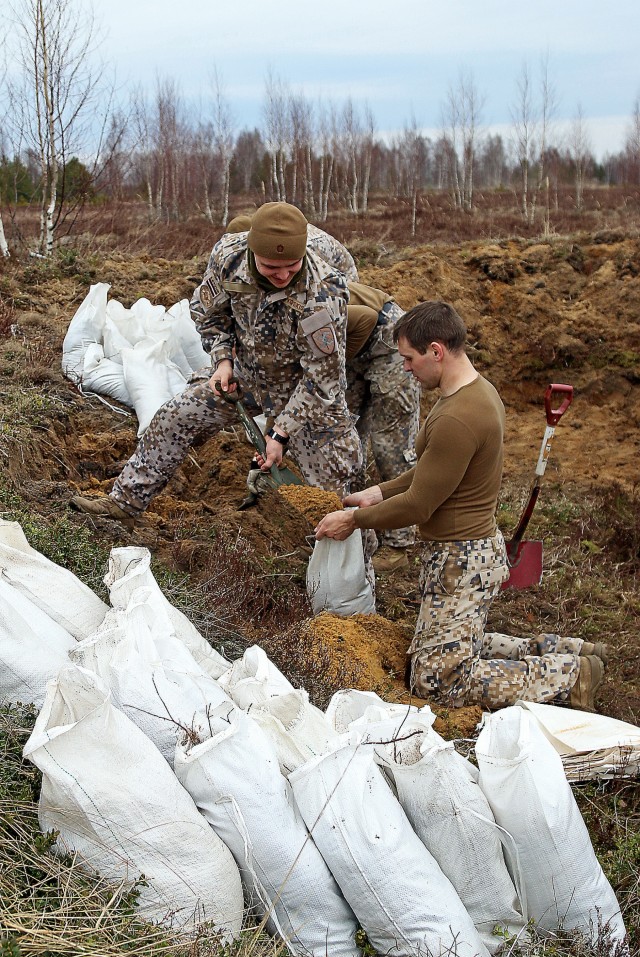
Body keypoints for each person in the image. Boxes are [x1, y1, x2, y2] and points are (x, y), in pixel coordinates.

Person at [314, 300, 607, 711]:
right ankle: (569, 649)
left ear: (436, 351)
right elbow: (434, 471)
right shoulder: (470, 392)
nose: (406, 368)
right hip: (464, 553)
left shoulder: (458, 416)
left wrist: (355, 520)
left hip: (462, 561)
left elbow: (419, 505)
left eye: (409, 358)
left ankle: (570, 676)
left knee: (437, 680)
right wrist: (378, 493)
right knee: (443, 646)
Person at [70, 202, 365, 527]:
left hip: (308, 397)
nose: (282, 276)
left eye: (292, 267)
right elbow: (210, 316)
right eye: (270, 267)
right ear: (253, 253)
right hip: (248, 376)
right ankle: (123, 503)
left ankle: (358, 563)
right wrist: (223, 361)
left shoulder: (325, 288)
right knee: (173, 417)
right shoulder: (229, 258)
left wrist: (280, 433)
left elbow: (323, 379)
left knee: (339, 484)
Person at [346, 282, 420, 574]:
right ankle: (354, 523)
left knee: (390, 446)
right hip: (350, 348)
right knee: (344, 436)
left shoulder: (306, 294)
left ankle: (399, 543)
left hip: (387, 342)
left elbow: (364, 319)